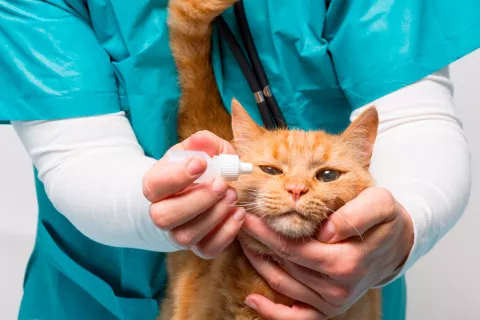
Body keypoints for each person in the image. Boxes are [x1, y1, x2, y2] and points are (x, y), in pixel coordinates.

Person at [0, 1, 478, 319]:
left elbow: (413, 115)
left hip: (343, 288)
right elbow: (78, 155)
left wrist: (404, 229)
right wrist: (159, 206)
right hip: (94, 293)